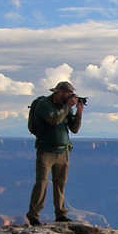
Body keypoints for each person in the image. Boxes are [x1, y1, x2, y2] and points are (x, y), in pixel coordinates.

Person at [26, 81, 84, 225]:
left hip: (63, 151)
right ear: (58, 92)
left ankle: (61, 213)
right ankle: (34, 214)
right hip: (46, 151)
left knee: (60, 184)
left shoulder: (66, 107)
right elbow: (54, 120)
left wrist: (79, 112)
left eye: (71, 94)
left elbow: (74, 129)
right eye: (68, 93)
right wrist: (67, 106)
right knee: (42, 182)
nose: (70, 96)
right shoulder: (44, 104)